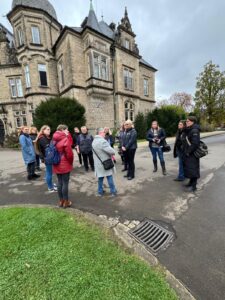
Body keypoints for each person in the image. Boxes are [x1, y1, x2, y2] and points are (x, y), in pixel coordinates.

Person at [53, 124, 74, 208]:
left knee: (59, 182)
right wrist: (70, 162)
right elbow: (69, 154)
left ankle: (61, 201)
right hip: (64, 163)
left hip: (56, 162)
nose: (68, 131)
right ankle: (66, 202)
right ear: (62, 130)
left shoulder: (53, 138)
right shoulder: (65, 139)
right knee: (65, 183)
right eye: (67, 130)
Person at [92, 128, 117, 196]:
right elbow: (111, 151)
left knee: (100, 178)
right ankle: (113, 191)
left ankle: (100, 191)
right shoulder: (102, 141)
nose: (105, 133)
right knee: (109, 177)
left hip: (98, 164)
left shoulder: (94, 141)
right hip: (105, 163)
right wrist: (113, 152)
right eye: (103, 132)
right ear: (100, 133)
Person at [182, 116, 200, 192]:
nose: (186, 122)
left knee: (193, 169)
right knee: (190, 169)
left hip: (192, 154)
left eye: (188, 121)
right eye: (186, 121)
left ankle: (194, 187)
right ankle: (190, 183)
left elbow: (195, 144)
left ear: (192, 122)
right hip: (188, 153)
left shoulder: (194, 130)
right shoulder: (189, 129)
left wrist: (188, 152)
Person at [37, 125, 57, 192]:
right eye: (47, 129)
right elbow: (48, 149)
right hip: (47, 158)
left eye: (49, 129)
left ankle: (50, 184)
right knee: (49, 173)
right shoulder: (42, 138)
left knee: (50, 172)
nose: (49, 130)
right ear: (43, 130)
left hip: (47, 157)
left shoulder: (46, 137)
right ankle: (50, 187)